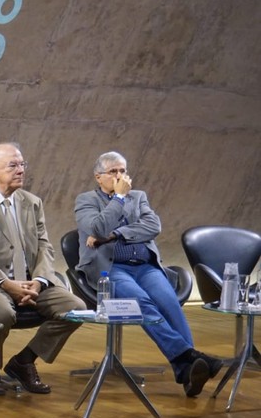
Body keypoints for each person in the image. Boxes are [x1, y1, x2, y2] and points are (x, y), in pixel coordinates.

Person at [75, 151, 223, 396]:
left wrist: (116, 234)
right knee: (140, 301)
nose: (120, 176)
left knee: (169, 303)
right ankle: (190, 357)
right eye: (113, 172)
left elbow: (153, 226)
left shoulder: (139, 196)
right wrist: (119, 199)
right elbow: (97, 226)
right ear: (98, 177)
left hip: (145, 266)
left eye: (123, 170)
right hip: (111, 268)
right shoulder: (86, 200)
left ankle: (186, 371)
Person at [0, 142, 85, 396]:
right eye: (13, 165)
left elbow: (45, 246)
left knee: (76, 309)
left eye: (22, 164)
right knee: (2, 313)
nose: (21, 170)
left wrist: (40, 281)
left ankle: (24, 361)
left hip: (30, 282)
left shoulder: (32, 202)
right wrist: (6, 284)